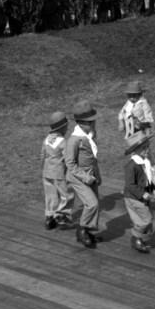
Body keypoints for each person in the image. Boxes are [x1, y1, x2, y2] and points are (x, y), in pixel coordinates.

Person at [64, 100, 102, 248]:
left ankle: (90, 231)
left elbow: (93, 159)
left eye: (93, 122)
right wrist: (85, 177)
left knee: (96, 204)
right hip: (78, 177)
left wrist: (97, 175)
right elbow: (70, 164)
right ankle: (82, 230)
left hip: (91, 175)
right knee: (91, 204)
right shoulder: (74, 140)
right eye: (88, 123)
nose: (92, 125)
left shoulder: (91, 135)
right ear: (79, 123)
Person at [123, 131, 155, 254]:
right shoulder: (132, 166)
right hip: (133, 197)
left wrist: (153, 190)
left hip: (143, 196)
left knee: (147, 218)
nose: (147, 150)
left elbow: (149, 178)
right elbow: (130, 185)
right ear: (135, 150)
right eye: (143, 148)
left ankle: (141, 240)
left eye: (148, 146)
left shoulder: (145, 162)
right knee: (146, 219)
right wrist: (143, 194)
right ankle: (136, 238)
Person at [41, 111, 71, 230]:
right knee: (66, 195)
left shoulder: (46, 140)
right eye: (66, 127)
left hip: (46, 172)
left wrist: (42, 168)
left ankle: (49, 217)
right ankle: (61, 215)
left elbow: (42, 155)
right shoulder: (63, 142)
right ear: (62, 127)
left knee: (50, 195)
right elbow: (68, 158)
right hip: (59, 173)